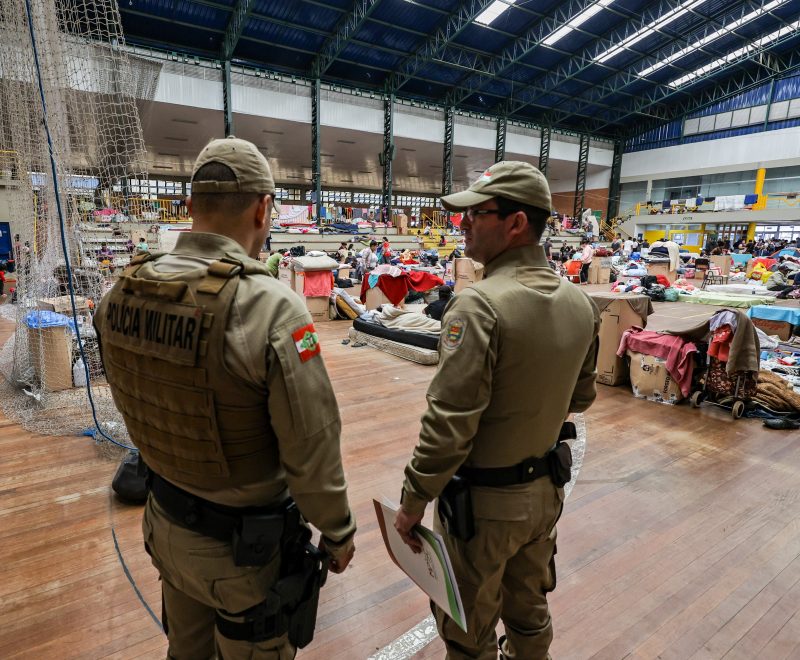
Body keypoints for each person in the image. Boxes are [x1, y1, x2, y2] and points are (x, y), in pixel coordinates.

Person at [94, 137, 356, 659]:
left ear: (189, 208)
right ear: (263, 209)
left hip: (165, 527)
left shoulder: (122, 292)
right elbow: (312, 445)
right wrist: (337, 531)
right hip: (243, 557)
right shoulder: (270, 308)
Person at [393, 160, 599, 660]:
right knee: (528, 614)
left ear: (515, 223)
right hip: (544, 495)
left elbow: (449, 425)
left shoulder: (478, 306)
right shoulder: (581, 304)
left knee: (468, 633)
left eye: (476, 213)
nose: (462, 223)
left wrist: (413, 500)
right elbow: (582, 398)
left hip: (483, 509)